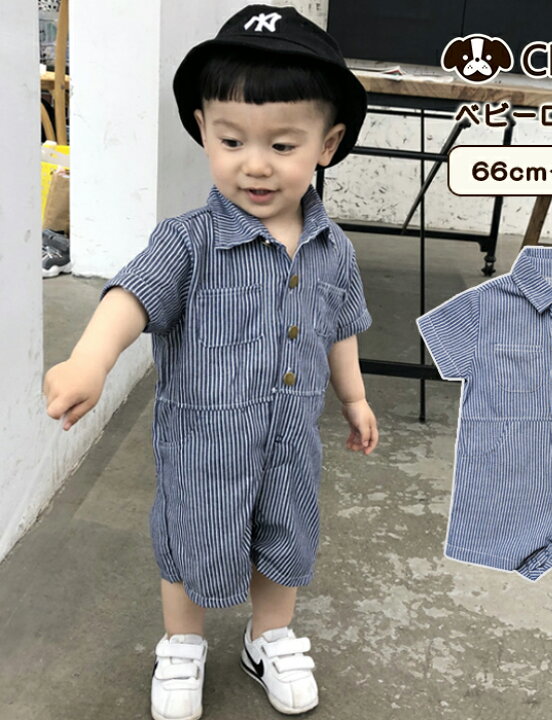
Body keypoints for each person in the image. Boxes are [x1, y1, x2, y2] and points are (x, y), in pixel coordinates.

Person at [42, 5, 378, 718]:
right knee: (192, 541)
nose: (254, 164)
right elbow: (131, 297)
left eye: (281, 144)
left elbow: (341, 327)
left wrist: (353, 399)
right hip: (203, 446)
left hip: (292, 442)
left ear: (327, 144)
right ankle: (183, 643)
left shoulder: (334, 249)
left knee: (286, 538)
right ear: (202, 129)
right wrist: (89, 360)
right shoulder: (187, 240)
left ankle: (270, 636)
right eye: (231, 140)